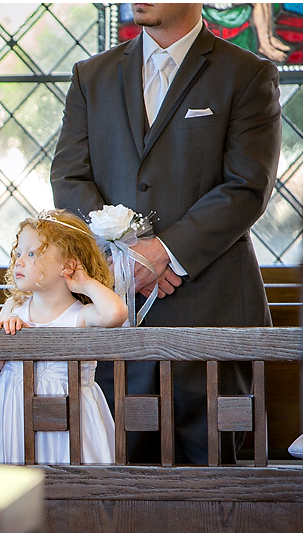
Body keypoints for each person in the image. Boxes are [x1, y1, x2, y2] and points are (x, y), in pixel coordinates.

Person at [51, 3, 281, 464]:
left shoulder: (246, 73)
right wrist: (127, 251)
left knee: (212, 483)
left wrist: (166, 252)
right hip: (115, 309)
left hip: (211, 308)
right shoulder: (91, 75)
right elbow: (69, 177)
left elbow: (245, 187)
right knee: (115, 485)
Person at [0, 210, 125, 464]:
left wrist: (85, 282)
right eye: (18, 253)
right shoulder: (13, 307)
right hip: (12, 415)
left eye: (32, 253)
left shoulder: (81, 316)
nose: (19, 261)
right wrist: (6, 338)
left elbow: (116, 313)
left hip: (70, 418)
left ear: (67, 265)